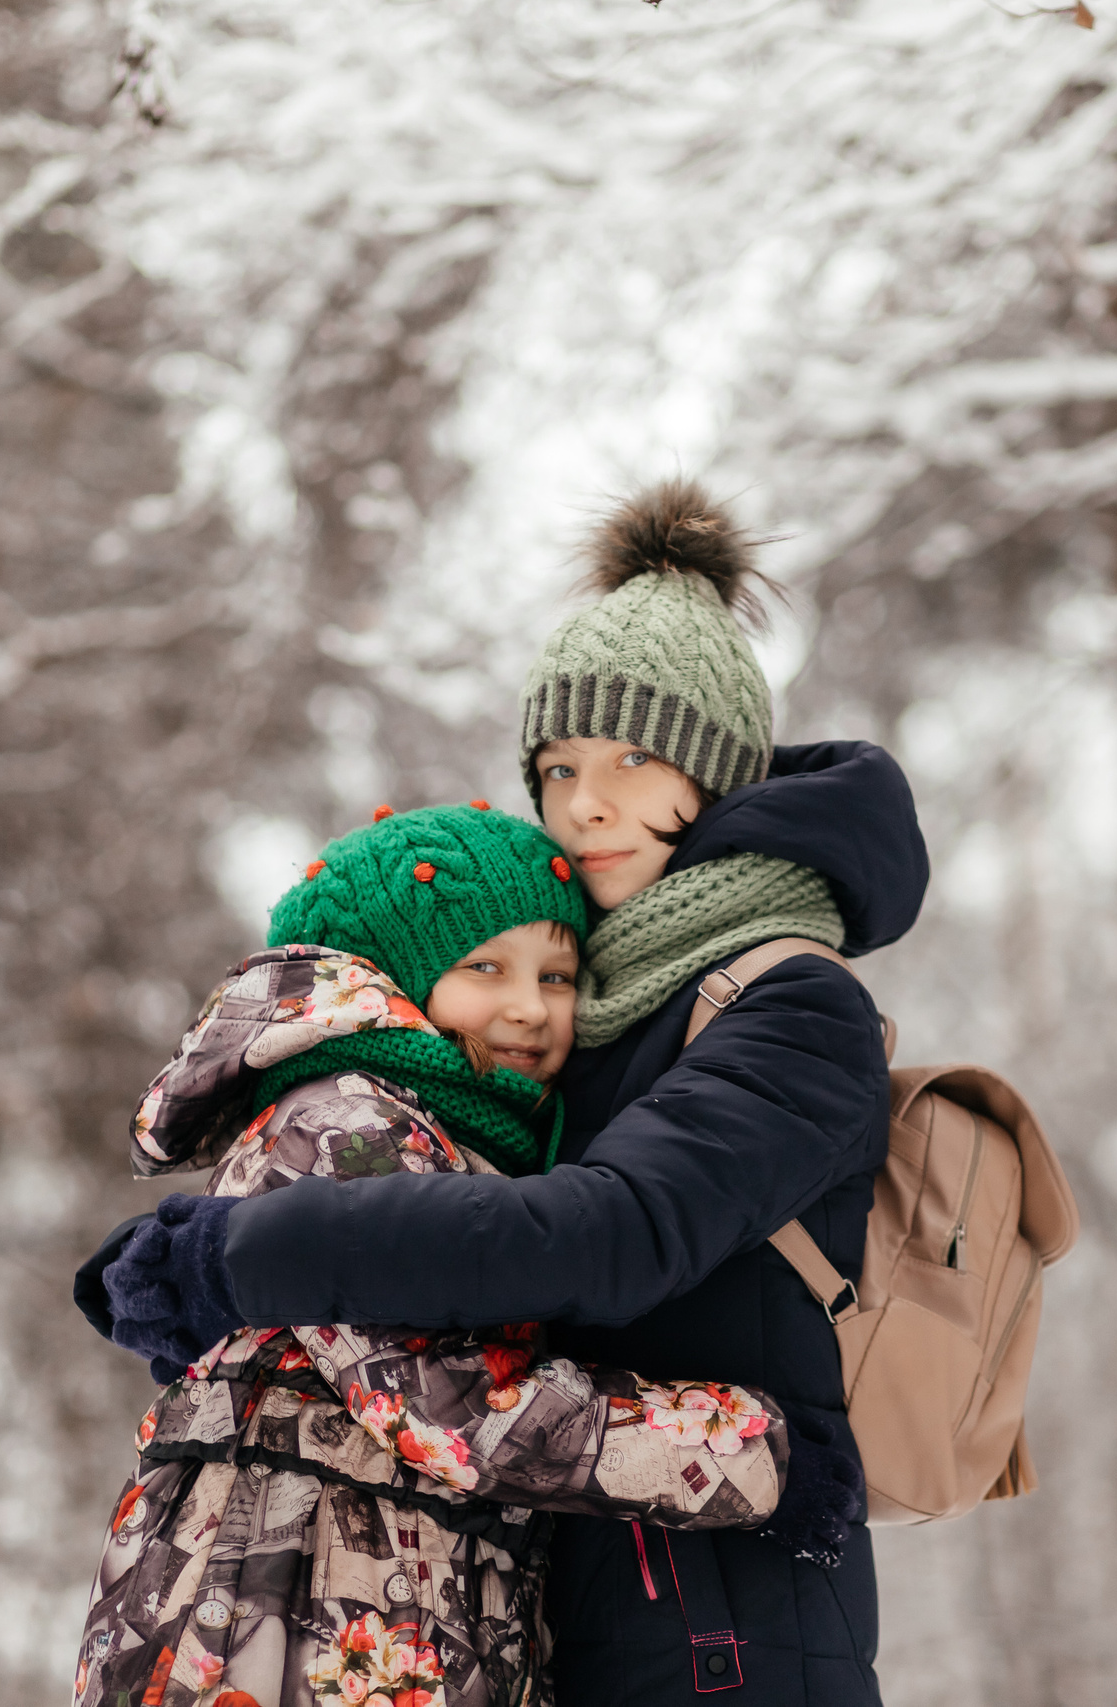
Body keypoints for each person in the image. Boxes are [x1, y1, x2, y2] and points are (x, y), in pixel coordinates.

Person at [87, 482, 923, 1706]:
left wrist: (240, 1253)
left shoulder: (788, 1003)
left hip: (719, 1639)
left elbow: (613, 1233)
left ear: (717, 769)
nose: (589, 801)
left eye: (637, 758)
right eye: (559, 764)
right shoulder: (586, 1019)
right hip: (558, 1625)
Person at [72, 803, 860, 1707]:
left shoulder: (455, 1140)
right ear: (393, 976)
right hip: (273, 1620)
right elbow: (463, 1409)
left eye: (558, 976)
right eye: (485, 967)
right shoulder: (348, 1123)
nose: (531, 1007)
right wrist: (757, 1456)